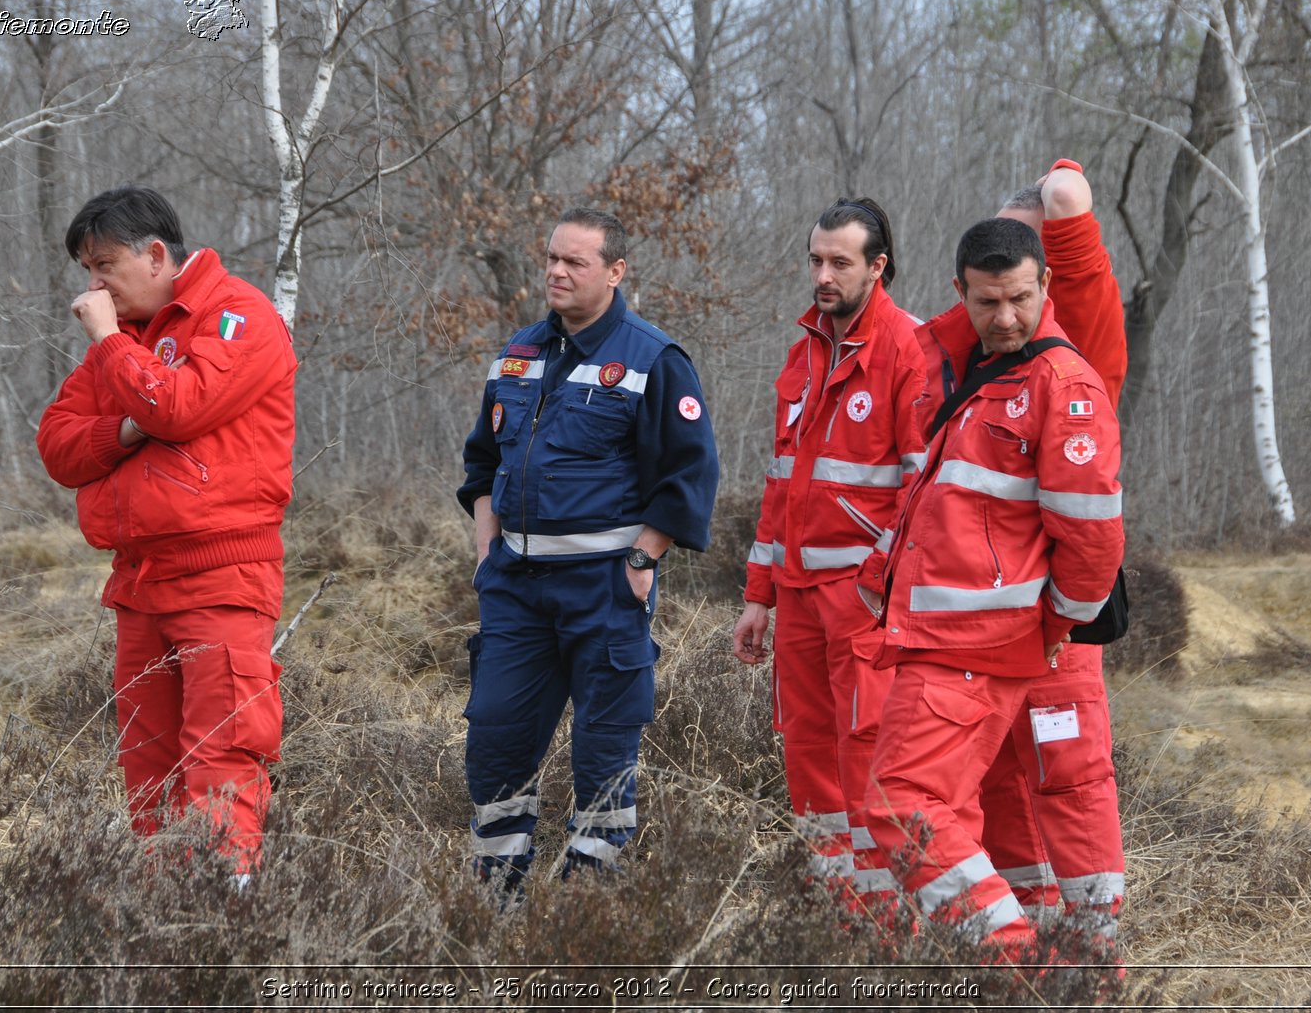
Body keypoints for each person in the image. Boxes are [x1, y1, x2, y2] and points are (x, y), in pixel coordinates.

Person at [855, 217, 1124, 953]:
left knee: (912, 803)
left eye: (1018, 299)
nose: (1004, 318)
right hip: (945, 638)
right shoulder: (976, 373)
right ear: (960, 295)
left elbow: (1094, 533)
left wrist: (1056, 623)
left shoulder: (1063, 383)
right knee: (966, 804)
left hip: (986, 643)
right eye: (986, 303)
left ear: (1046, 287)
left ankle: (1024, 966)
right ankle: (1039, 954)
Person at [37, 186, 297, 883]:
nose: (92, 289)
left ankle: (223, 921)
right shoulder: (130, 341)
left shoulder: (238, 315)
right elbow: (58, 445)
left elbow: (177, 406)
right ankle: (163, 918)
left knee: (222, 750)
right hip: (139, 583)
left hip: (222, 576)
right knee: (148, 764)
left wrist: (111, 346)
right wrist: (124, 426)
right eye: (86, 272)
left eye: (104, 267)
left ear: (156, 255)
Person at [457, 207, 719, 892]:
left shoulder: (651, 358)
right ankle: (496, 894)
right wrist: (486, 545)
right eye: (551, 258)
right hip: (515, 585)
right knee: (494, 733)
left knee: (604, 749)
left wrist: (643, 558)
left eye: (575, 261)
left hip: (604, 587)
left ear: (615, 270)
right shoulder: (518, 353)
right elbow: (481, 462)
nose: (556, 271)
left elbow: (690, 475)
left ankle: (587, 905)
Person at [730, 198, 925, 888]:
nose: (823, 274)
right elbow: (780, 485)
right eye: (815, 259)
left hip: (863, 599)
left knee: (866, 747)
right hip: (798, 600)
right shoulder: (802, 354)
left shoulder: (911, 351)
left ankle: (882, 912)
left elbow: (922, 491)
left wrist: (877, 583)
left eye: (839, 261)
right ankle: (835, 897)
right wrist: (759, 597)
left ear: (879, 266)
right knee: (807, 748)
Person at [980, 159, 1129, 944]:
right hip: (985, 616)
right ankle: (1029, 943)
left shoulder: (1084, 335)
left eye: (1026, 251)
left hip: (1059, 613)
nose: (1011, 264)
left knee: (1068, 774)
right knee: (999, 776)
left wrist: (1063, 181)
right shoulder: (977, 343)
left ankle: (1096, 947)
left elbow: (1070, 207)